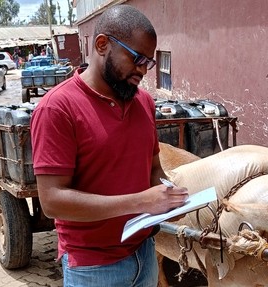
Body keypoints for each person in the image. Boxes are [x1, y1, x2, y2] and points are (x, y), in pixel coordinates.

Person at [30, 5, 188, 287]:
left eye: (149, 62)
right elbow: (52, 201)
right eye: (137, 58)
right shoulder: (58, 108)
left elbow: (153, 167)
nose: (143, 71)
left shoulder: (143, 102)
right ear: (102, 45)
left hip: (144, 255)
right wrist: (142, 201)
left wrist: (170, 198)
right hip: (93, 268)